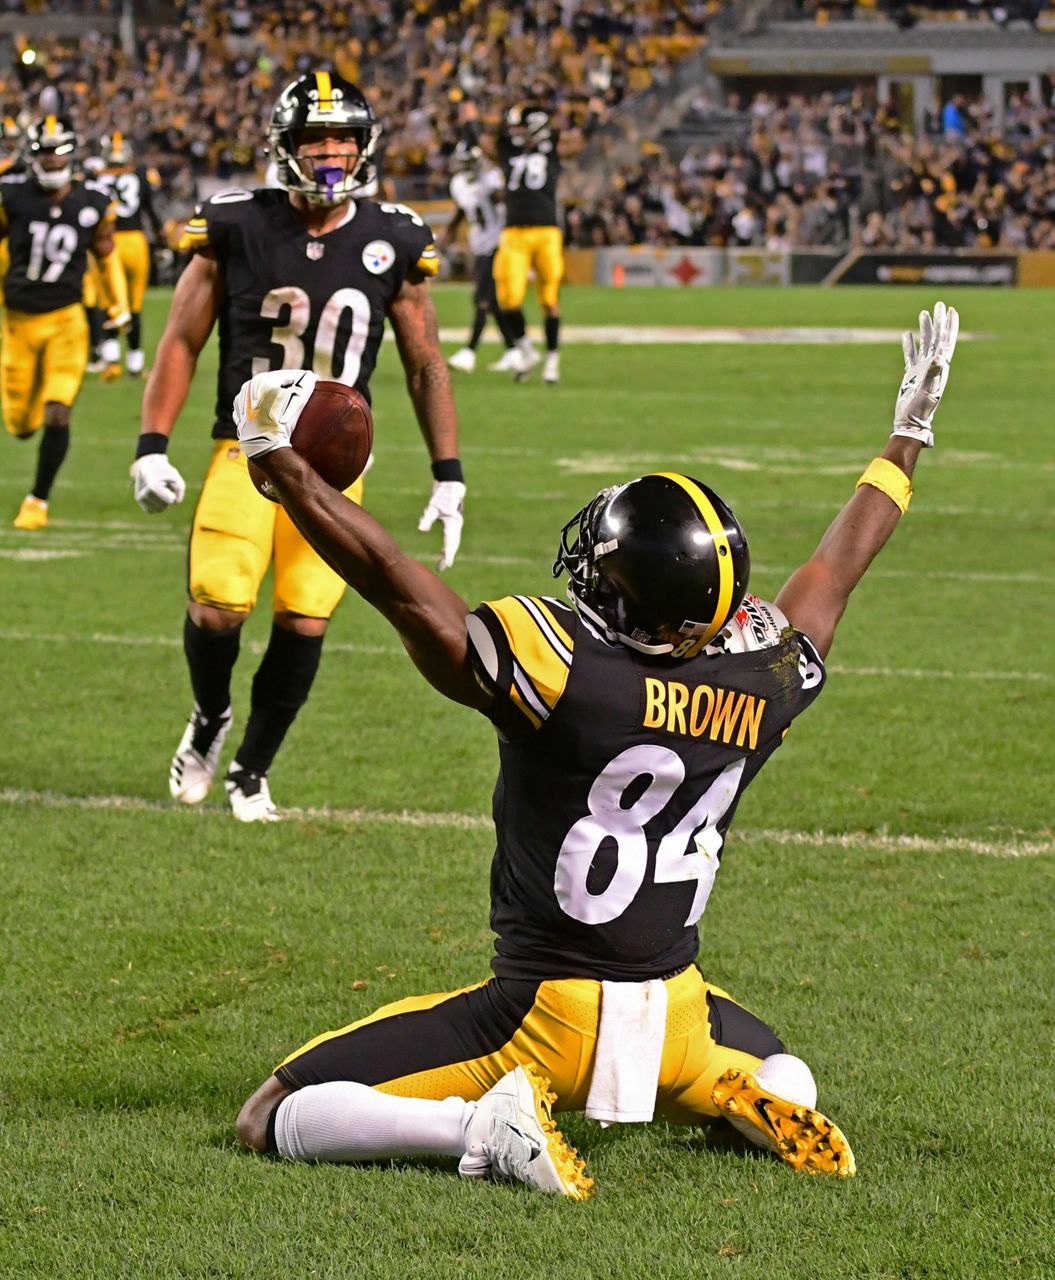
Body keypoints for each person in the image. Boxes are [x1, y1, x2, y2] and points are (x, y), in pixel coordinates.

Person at [229, 304, 959, 1195]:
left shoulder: (565, 672)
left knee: (272, 1111)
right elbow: (833, 573)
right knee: (779, 1068)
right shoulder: (765, 673)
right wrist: (906, 435)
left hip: (542, 1012)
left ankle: (477, 1128)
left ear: (626, 599)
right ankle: (743, 1099)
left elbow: (393, 581)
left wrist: (284, 468)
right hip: (676, 1022)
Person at [130, 71, 465, 823]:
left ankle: (253, 769)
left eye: (343, 137)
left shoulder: (393, 237)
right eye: (315, 138)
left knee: (305, 617)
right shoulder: (237, 224)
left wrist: (449, 474)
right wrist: (152, 444)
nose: (331, 151)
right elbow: (182, 340)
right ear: (284, 148)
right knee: (218, 608)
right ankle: (211, 716)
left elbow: (426, 362)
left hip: (335, 470)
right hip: (244, 448)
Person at [0, 116, 129, 530]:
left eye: (58, 152)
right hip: (18, 323)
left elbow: (106, 255)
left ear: (72, 153)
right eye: (43, 152)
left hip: (67, 322)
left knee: (58, 413)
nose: (51, 161)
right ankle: (29, 414)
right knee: (20, 425)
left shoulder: (92, 201)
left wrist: (119, 303)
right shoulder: (12, 195)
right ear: (30, 154)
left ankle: (37, 500)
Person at [493, 101, 581, 385]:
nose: (515, 130)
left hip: (546, 232)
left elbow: (577, 139)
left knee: (550, 300)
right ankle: (526, 349)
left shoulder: (552, 148)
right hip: (514, 233)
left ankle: (552, 360)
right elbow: (492, 135)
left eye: (521, 125)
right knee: (508, 300)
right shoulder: (510, 148)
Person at [441, 141, 518, 375]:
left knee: (482, 299)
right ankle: (514, 351)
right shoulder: (459, 183)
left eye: (470, 163)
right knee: (492, 301)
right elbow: (463, 210)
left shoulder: (491, 178)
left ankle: (470, 351)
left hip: (499, 242)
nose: (467, 168)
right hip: (480, 243)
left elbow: (502, 198)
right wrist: (449, 233)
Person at [90, 132, 163, 377]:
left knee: (108, 300)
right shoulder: (141, 175)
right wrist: (161, 233)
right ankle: (135, 363)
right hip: (135, 241)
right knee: (135, 304)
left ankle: (111, 360)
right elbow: (151, 209)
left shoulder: (96, 178)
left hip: (107, 243)